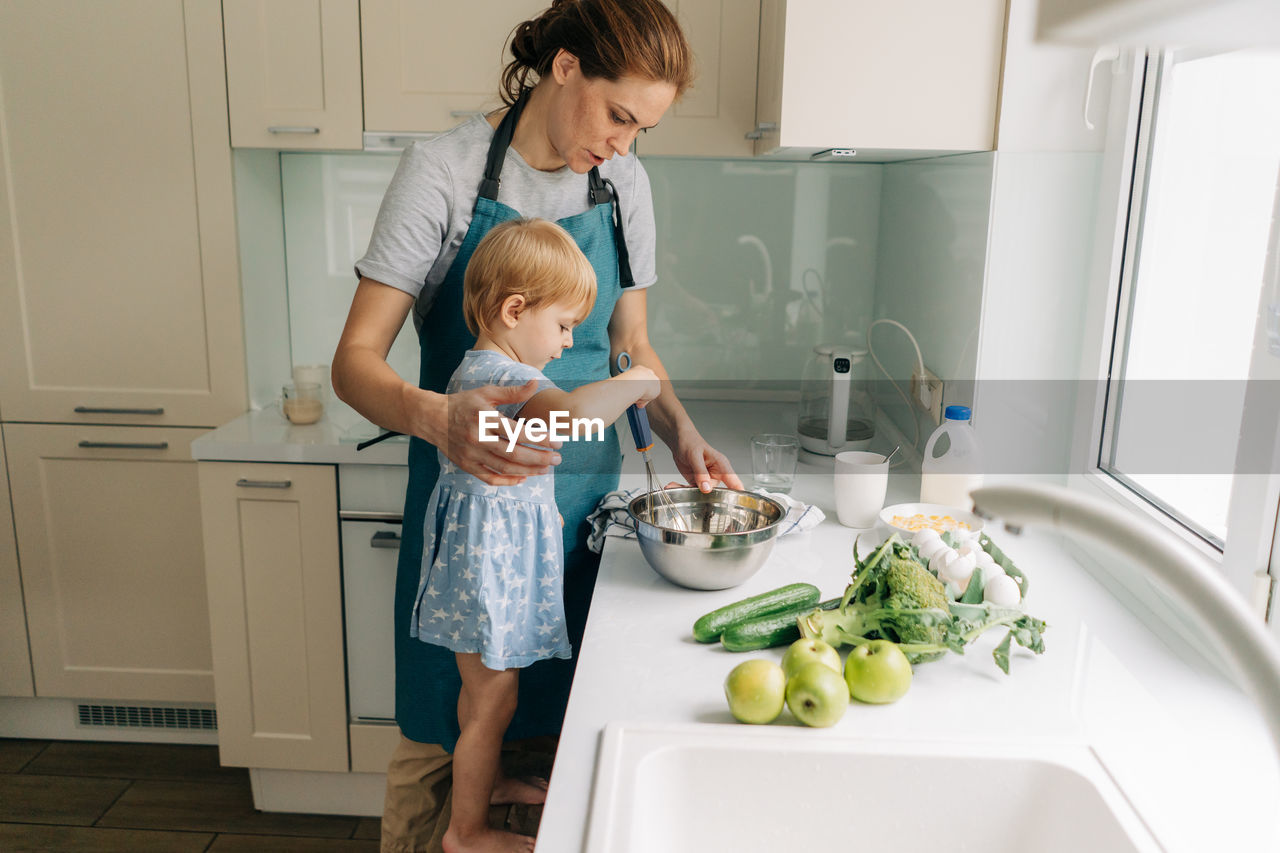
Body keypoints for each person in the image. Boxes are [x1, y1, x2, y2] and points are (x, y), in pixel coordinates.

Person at [331, 2, 743, 849]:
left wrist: (681, 432)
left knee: (560, 735)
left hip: (582, 525)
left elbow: (632, 346)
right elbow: (355, 360)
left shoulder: (622, 183)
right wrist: (438, 418)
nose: (625, 143)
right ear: (563, 67)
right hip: (471, 510)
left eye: (644, 128)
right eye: (618, 114)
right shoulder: (443, 172)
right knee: (438, 737)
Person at [412, 217, 659, 853]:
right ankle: (464, 834)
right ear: (515, 309)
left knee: (483, 698)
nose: (569, 341)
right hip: (487, 572)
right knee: (492, 704)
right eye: (564, 325)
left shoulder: (481, 368)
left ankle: (486, 785)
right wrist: (639, 381)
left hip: (487, 564)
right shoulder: (505, 377)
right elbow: (575, 419)